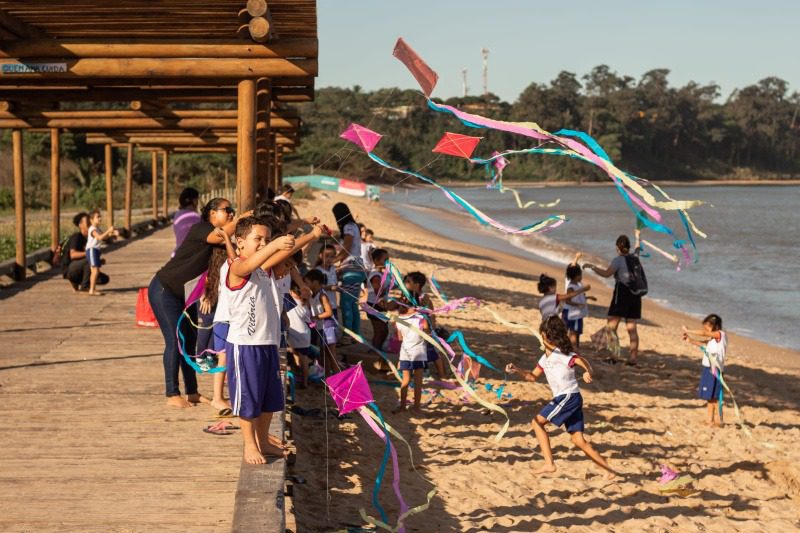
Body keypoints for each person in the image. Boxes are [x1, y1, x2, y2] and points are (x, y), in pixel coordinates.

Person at [149, 197, 238, 408]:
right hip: (164, 290)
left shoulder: (218, 237)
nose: (232, 214)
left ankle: (192, 392)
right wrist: (243, 217)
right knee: (173, 341)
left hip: (182, 296)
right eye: (228, 210)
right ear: (212, 213)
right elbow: (220, 236)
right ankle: (172, 393)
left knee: (188, 342)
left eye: (233, 211)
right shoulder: (202, 229)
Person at [506, 316, 617, 479]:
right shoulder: (544, 359)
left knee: (537, 423)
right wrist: (517, 370)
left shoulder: (563, 355)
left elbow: (581, 360)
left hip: (568, 397)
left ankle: (549, 464)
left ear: (545, 336)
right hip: (571, 398)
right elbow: (531, 377)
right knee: (579, 440)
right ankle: (609, 470)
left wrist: (587, 372)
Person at [584, 235, 643, 365]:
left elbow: (606, 274)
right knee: (632, 328)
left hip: (622, 294)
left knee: (611, 327)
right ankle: (633, 359)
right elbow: (638, 249)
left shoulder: (618, 260)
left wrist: (591, 267)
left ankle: (614, 356)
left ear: (617, 248)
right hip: (635, 295)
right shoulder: (635, 257)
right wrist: (638, 237)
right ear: (629, 247)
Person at [197, 229, 237, 415]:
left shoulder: (223, 267)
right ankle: (218, 397)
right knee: (224, 355)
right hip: (226, 316)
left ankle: (223, 396)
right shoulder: (230, 265)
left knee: (228, 355)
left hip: (231, 315)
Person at [682, 314, 727, 427]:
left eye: (707, 326)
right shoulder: (712, 339)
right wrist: (690, 340)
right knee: (709, 397)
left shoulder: (720, 334)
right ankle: (709, 420)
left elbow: (704, 333)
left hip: (715, 370)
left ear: (715, 326)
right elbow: (703, 343)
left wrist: (689, 330)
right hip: (708, 369)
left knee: (715, 397)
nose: (705, 329)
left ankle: (719, 419)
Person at [332, 202, 367, 335]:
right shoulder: (354, 226)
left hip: (351, 269)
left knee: (346, 304)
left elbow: (346, 249)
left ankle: (348, 335)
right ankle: (355, 333)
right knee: (353, 304)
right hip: (358, 267)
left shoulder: (348, 227)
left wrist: (333, 262)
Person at [394, 303, 429, 413]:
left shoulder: (398, 320)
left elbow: (400, 338)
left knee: (405, 380)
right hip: (419, 353)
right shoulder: (421, 318)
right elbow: (427, 334)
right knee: (418, 382)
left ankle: (403, 406)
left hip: (405, 353)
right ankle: (416, 407)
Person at [62, 212, 109, 292]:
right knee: (89, 260)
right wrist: (90, 255)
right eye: (87, 222)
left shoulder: (89, 237)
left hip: (81, 265)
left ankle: (77, 282)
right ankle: (84, 286)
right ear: (80, 225)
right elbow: (73, 255)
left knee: (103, 278)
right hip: (70, 269)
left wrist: (97, 260)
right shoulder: (76, 237)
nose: (90, 223)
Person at [304, 269, 339, 375]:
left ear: (315, 282)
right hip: (321, 327)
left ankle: (340, 380)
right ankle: (328, 379)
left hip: (328, 326)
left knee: (331, 355)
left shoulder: (322, 295)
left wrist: (315, 317)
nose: (305, 285)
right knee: (324, 355)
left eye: (307, 282)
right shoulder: (312, 295)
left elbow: (329, 312)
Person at [562, 253, 597, 349]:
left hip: (574, 313)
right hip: (573, 313)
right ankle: (573, 349)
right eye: (580, 274)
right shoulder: (571, 286)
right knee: (573, 332)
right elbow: (568, 300)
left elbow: (579, 297)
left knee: (574, 332)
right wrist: (576, 257)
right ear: (576, 276)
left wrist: (588, 298)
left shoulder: (579, 285)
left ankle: (572, 348)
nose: (582, 276)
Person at [286, 280, 313, 387]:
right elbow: (309, 320)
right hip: (303, 334)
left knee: (301, 358)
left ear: (293, 292)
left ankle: (304, 380)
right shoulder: (304, 304)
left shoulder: (290, 302)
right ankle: (303, 380)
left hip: (296, 334)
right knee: (300, 356)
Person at [85, 208, 118, 295]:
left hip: (96, 251)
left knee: (95, 271)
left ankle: (92, 288)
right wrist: (108, 231)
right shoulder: (92, 229)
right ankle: (92, 290)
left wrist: (112, 234)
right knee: (94, 271)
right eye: (98, 217)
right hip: (92, 250)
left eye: (100, 217)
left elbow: (104, 237)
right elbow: (99, 237)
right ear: (91, 220)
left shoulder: (98, 229)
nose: (100, 218)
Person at [363, 248, 390, 350]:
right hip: (374, 305)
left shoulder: (381, 274)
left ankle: (377, 349)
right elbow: (378, 292)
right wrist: (389, 287)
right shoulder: (376, 276)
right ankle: (375, 350)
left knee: (384, 330)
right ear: (377, 261)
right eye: (385, 260)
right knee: (380, 330)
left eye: (388, 259)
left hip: (380, 305)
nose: (388, 262)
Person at [172, 187, 201, 254]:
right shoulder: (195, 216)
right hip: (190, 255)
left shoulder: (178, 214)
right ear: (194, 201)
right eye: (197, 200)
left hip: (178, 252)